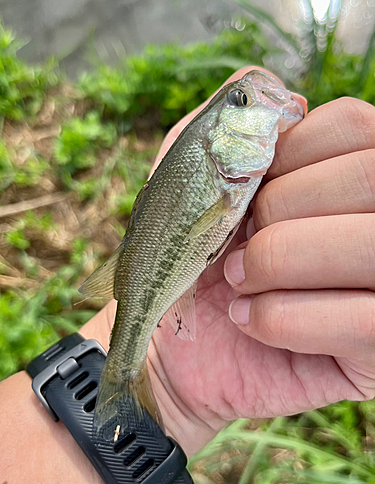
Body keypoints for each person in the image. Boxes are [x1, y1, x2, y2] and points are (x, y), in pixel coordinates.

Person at [2, 66, 375, 483]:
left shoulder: (227, 177)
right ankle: (122, 376)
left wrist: (173, 390)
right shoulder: (219, 175)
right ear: (217, 145)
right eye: (242, 101)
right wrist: (164, 382)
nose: (252, 97)